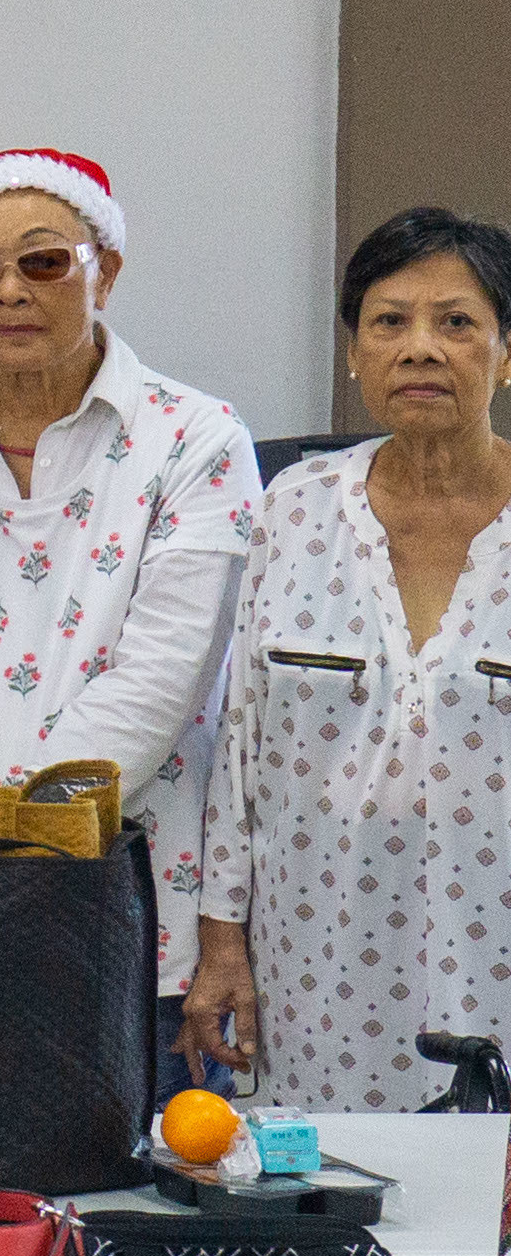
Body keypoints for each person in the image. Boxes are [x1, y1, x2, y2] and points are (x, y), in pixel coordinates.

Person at [0, 148, 262, 994]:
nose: (9, 290)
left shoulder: (196, 438)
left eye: (42, 260)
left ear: (103, 270)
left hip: (131, 896)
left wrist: (16, 828)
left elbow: (164, 676)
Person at [192, 210, 511, 1112]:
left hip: (497, 948)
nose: (420, 348)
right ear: (353, 355)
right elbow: (238, 747)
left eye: (456, 322)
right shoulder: (293, 509)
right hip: (317, 962)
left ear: (506, 354)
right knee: (335, 1203)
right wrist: (221, 946)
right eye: (388, 321)